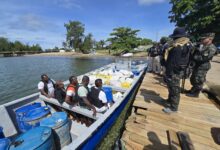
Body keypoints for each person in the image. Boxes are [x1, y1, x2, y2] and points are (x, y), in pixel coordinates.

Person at [162, 27, 192, 113]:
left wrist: (168, 72)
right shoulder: (186, 44)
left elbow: (174, 61)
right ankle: (169, 100)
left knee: (174, 89)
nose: (173, 39)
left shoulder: (179, 46)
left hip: (175, 71)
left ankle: (173, 108)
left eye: (175, 37)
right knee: (171, 87)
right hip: (176, 70)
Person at [186, 33, 217, 97]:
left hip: (203, 65)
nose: (202, 39)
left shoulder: (212, 48)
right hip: (197, 65)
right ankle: (193, 89)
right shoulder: (202, 45)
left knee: (199, 79)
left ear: (210, 39)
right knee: (193, 78)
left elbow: (204, 58)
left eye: (204, 38)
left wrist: (194, 56)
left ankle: (196, 93)